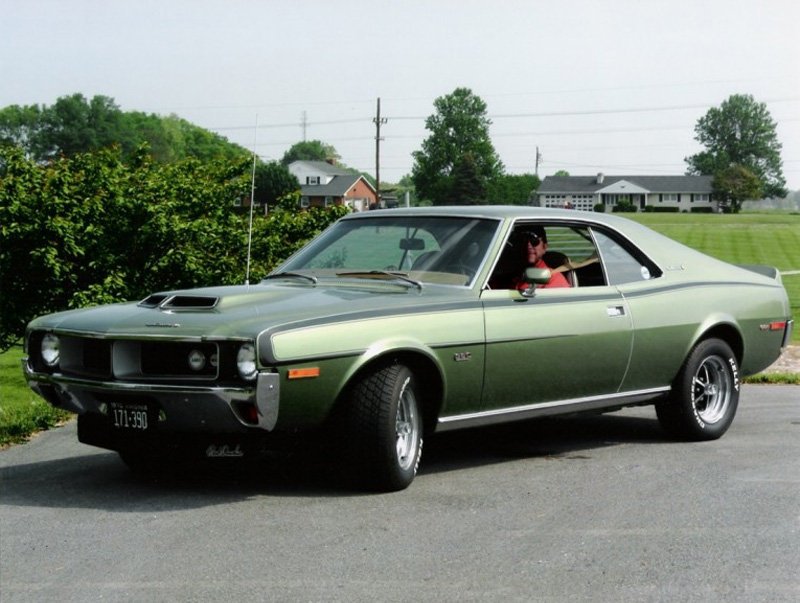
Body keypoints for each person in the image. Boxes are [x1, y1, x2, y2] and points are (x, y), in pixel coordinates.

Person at [510, 225, 571, 290]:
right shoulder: (510, 276)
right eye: (522, 241)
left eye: (534, 241)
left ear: (544, 247)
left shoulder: (553, 278)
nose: (528, 246)